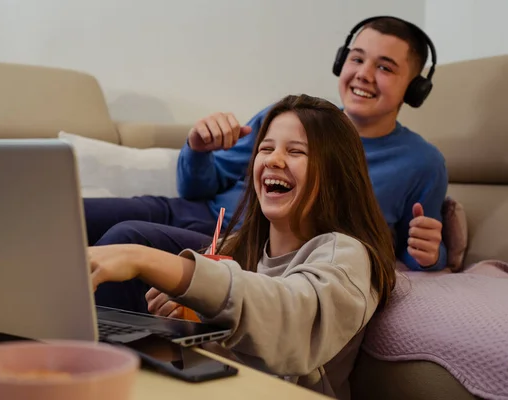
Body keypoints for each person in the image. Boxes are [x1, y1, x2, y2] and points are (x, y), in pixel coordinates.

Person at [86, 15, 447, 289]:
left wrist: (430, 255)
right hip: (192, 211)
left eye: (384, 67)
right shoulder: (290, 116)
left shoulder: (422, 162)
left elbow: (415, 248)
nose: (364, 74)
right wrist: (197, 151)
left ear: (415, 88)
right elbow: (196, 189)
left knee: (127, 237)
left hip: (247, 242)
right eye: (356, 59)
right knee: (70, 213)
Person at [87, 94, 397, 399]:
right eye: (266, 148)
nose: (274, 160)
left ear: (335, 174)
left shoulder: (346, 254)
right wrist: (185, 313)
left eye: (296, 151)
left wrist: (146, 259)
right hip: (206, 387)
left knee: (129, 237)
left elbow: (289, 323)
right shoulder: (238, 246)